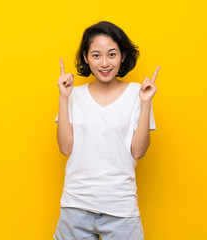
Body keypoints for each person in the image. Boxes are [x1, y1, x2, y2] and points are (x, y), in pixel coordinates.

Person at [54, 21, 160, 240]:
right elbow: (65, 148)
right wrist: (63, 99)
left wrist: (146, 103)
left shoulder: (137, 94)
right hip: (75, 207)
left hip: (120, 209)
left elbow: (138, 152)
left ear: (122, 56)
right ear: (85, 57)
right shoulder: (73, 95)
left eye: (112, 54)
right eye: (96, 55)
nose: (104, 63)